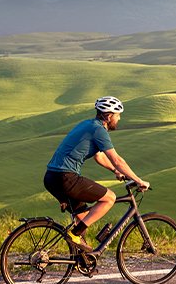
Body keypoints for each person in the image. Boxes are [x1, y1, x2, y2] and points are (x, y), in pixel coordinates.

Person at [43, 96, 150, 258]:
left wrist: (114, 171)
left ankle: (81, 259)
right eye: (117, 114)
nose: (119, 118)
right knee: (109, 198)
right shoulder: (99, 130)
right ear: (108, 116)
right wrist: (138, 180)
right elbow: (118, 160)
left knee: (83, 217)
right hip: (66, 177)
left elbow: (99, 156)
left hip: (52, 177)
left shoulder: (88, 125)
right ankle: (74, 235)